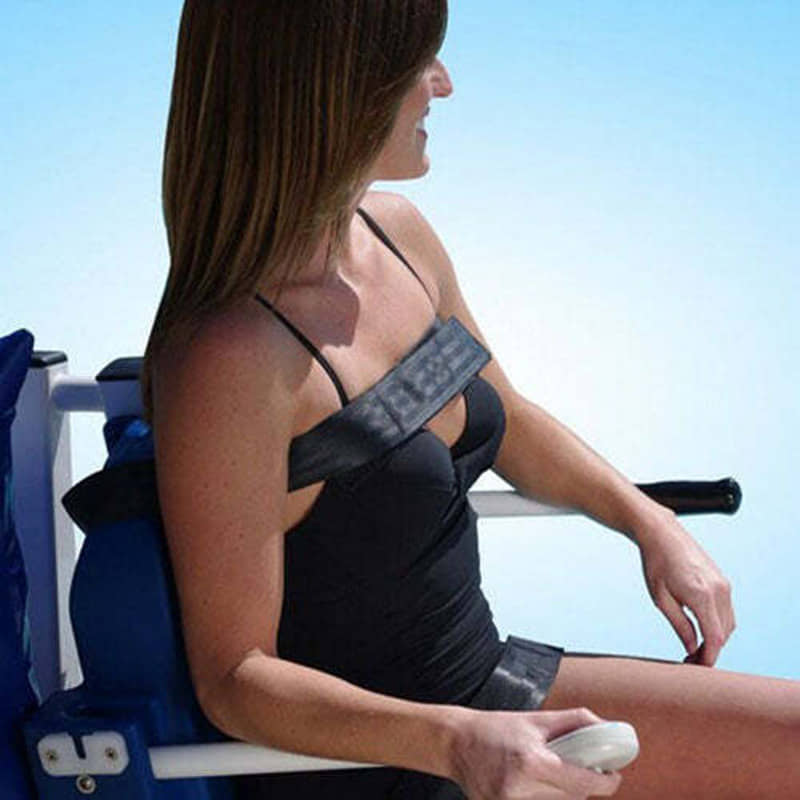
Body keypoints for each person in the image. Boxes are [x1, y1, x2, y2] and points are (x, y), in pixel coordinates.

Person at [141, 2, 800, 798]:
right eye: (419, 63)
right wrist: (458, 742)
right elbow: (235, 678)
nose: (443, 84)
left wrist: (648, 521)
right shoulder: (229, 358)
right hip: (382, 763)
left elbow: (506, 417)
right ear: (334, 90)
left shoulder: (397, 234)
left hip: (490, 694)